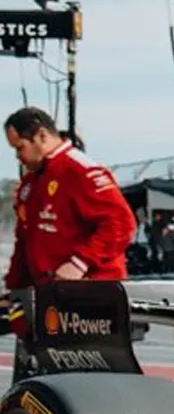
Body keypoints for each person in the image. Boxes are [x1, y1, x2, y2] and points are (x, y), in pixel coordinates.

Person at [5, 106, 137, 380]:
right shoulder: (31, 183)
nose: (18, 157)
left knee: (86, 384)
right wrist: (14, 290)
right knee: (42, 383)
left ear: (42, 136)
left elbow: (121, 223)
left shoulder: (80, 170)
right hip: (48, 299)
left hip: (89, 301)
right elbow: (25, 241)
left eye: (20, 148)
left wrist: (79, 263)